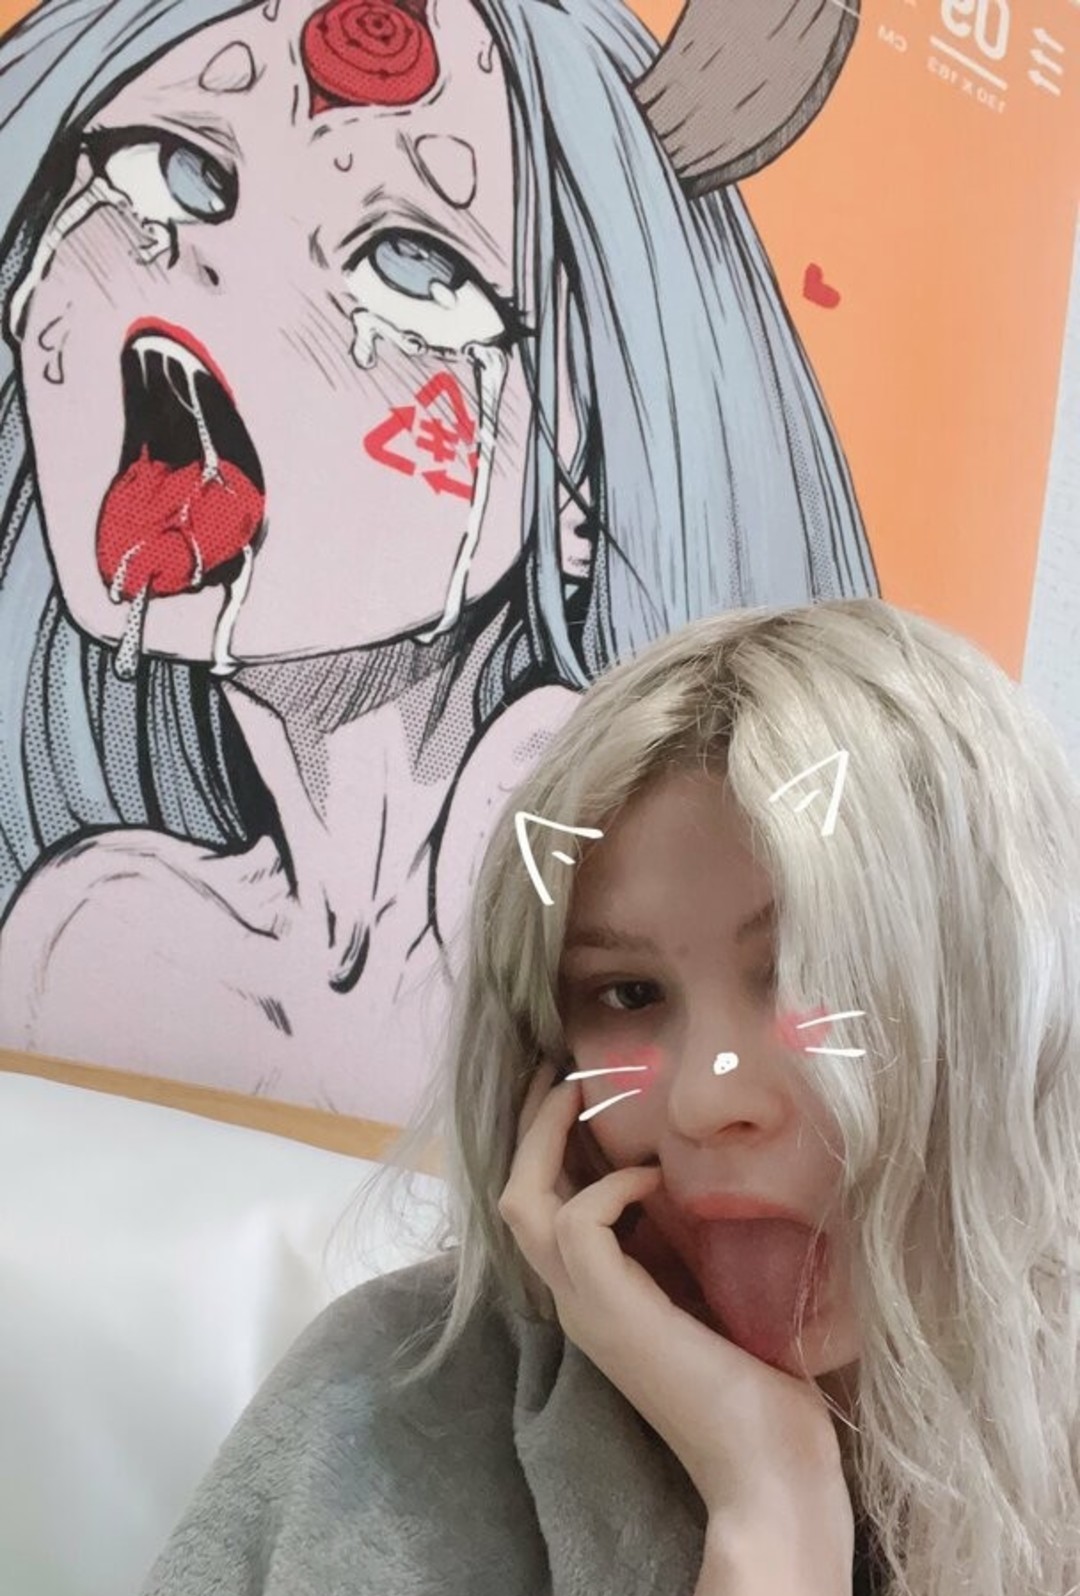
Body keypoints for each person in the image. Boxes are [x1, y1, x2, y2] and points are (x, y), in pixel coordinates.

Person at [35, 598, 1080, 1596]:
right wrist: (775, 1494)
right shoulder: (405, 1404)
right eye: (627, 992)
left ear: (1010, 1011)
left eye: (817, 972)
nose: (705, 1097)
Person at [0, 0, 874, 1119]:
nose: (216, 283)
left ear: (576, 477)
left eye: (413, 267)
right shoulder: (97, 927)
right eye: (169, 171)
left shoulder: (583, 844)